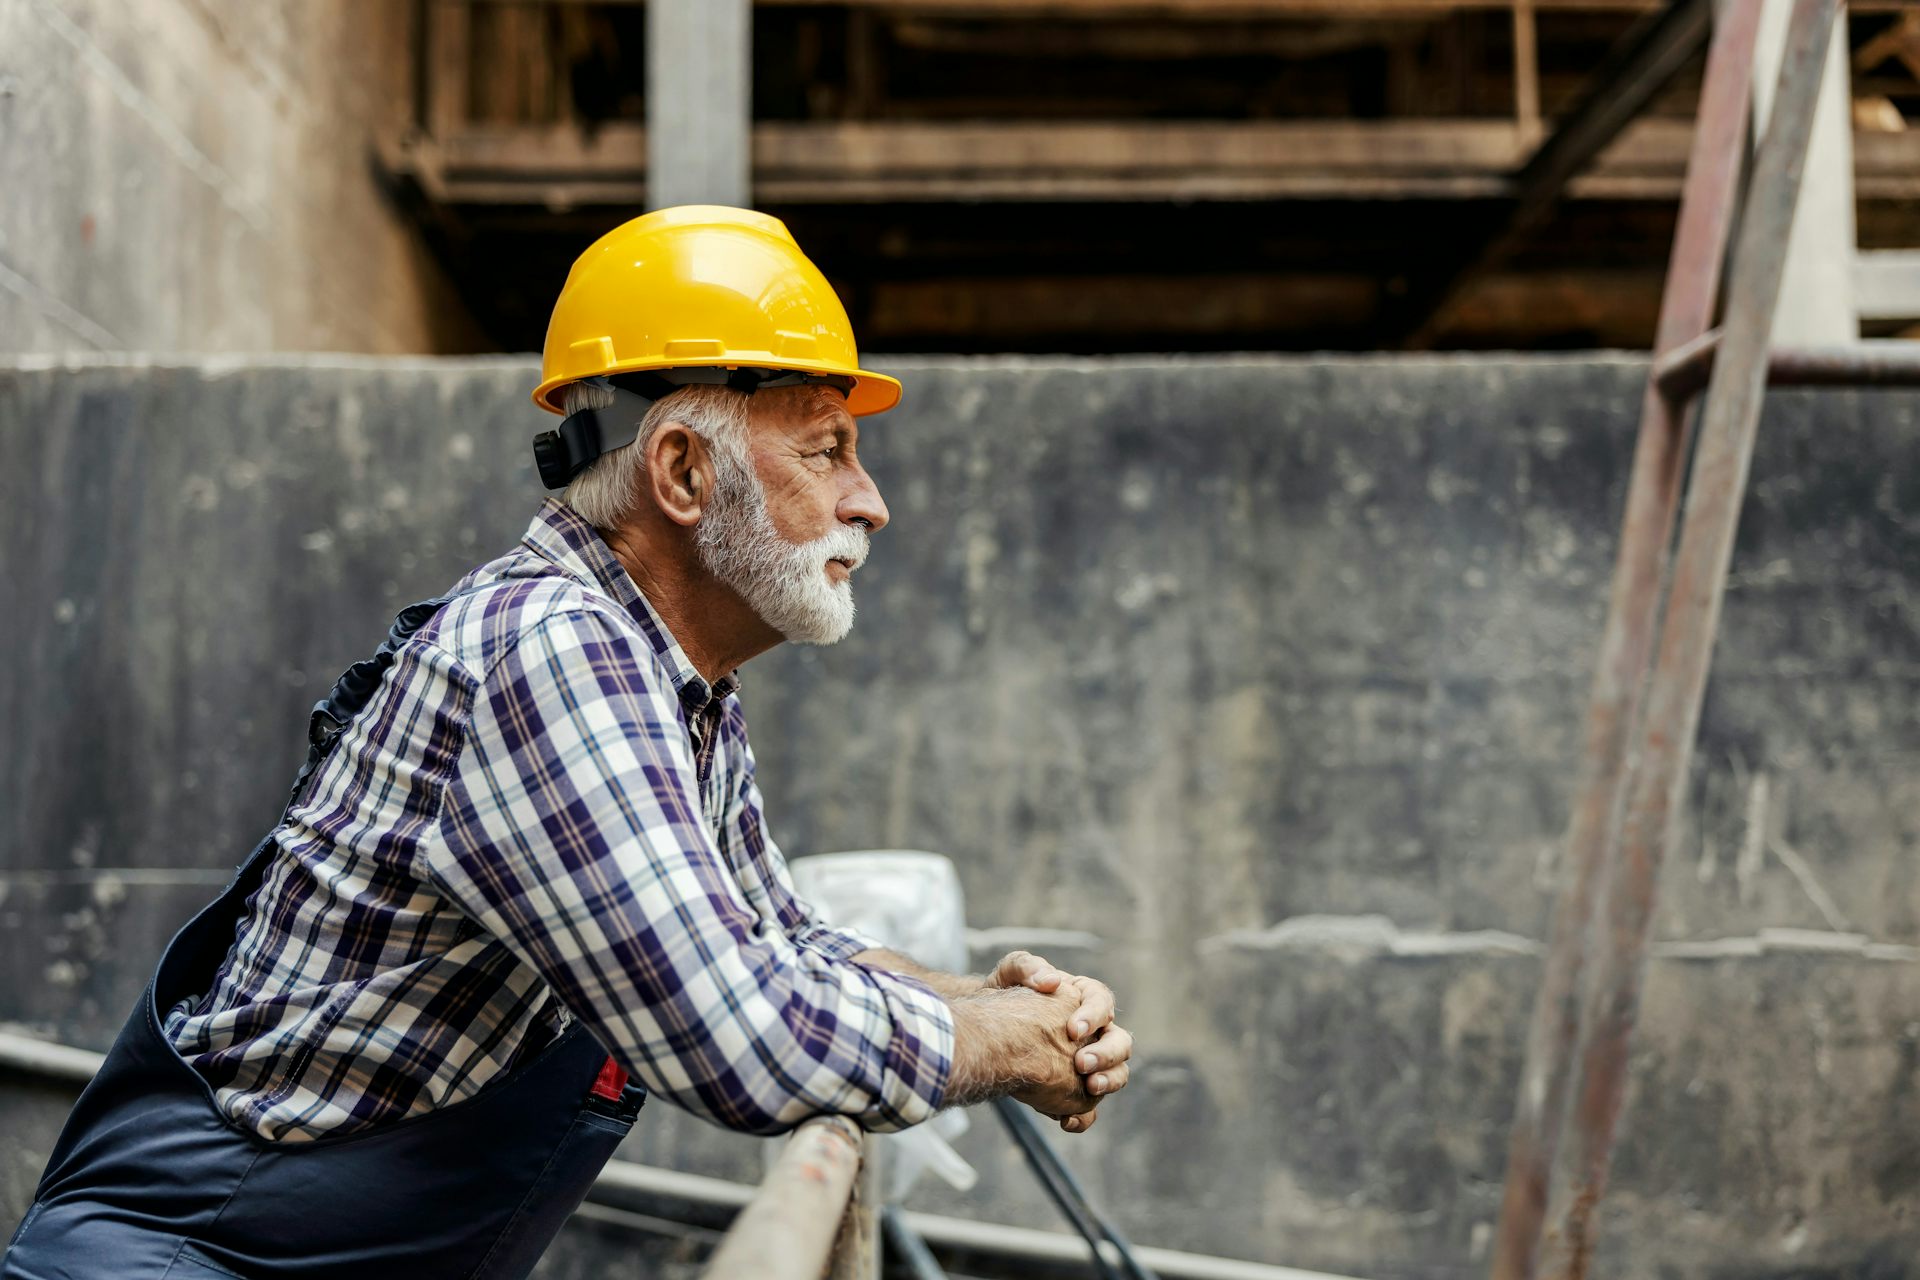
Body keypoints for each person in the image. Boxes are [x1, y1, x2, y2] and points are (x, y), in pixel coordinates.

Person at [3, 206, 1132, 1279]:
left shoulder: (671, 682)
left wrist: (990, 995)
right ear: (684, 471)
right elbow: (746, 1037)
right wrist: (1004, 1043)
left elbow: (777, 946)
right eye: (827, 449)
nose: (870, 499)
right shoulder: (555, 655)